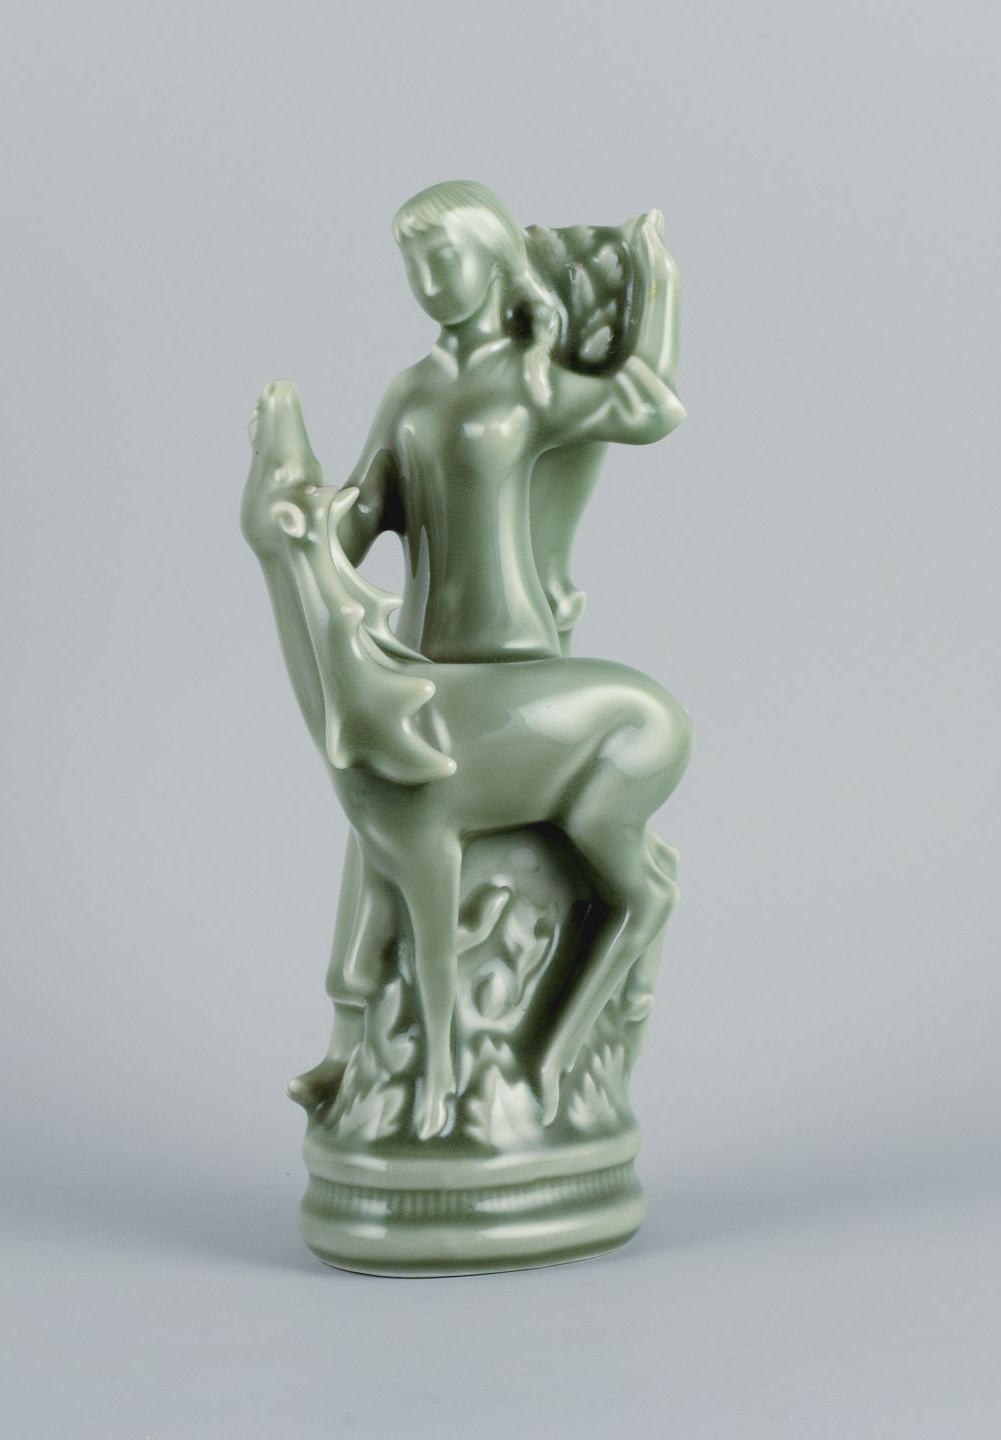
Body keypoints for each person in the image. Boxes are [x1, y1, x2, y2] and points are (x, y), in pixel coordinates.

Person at [288, 179, 685, 1108]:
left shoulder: (530, 382)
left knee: (431, 818)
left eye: (445, 257)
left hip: (512, 652)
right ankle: (350, 1041)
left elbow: (652, 409)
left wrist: (658, 292)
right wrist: (304, 521)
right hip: (420, 656)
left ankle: (493, 1048)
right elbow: (361, 521)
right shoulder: (410, 391)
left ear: (497, 261)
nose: (429, 279)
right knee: (373, 811)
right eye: (412, 264)